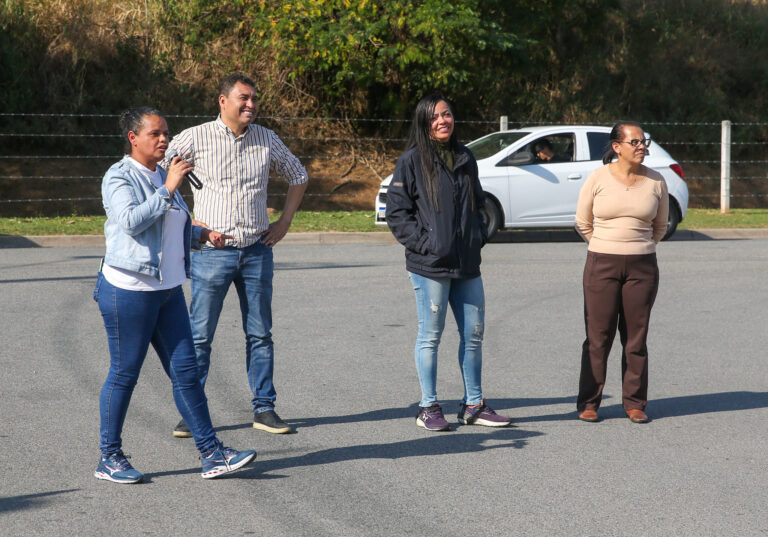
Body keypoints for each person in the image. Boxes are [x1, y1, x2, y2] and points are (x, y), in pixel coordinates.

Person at [94, 107, 256, 483]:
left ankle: (212, 453)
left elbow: (171, 222)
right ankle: (109, 457)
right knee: (124, 374)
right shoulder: (120, 176)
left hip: (167, 290)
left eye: (166, 133)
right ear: (133, 138)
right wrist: (168, 188)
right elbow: (132, 222)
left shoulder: (161, 174)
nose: (164, 140)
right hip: (128, 291)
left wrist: (203, 234)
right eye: (155, 134)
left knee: (186, 373)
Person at [167, 74, 308, 437]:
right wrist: (189, 219)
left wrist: (284, 222)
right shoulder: (195, 137)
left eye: (254, 99)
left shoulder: (266, 138)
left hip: (257, 250)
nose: (251, 105)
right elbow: (158, 170)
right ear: (222, 101)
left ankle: (264, 409)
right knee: (199, 336)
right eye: (243, 98)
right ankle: (191, 413)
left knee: (260, 334)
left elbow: (298, 174)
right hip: (211, 253)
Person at [385, 93, 511, 431]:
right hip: (430, 266)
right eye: (435, 117)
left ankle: (474, 405)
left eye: (447, 114)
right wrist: (428, 245)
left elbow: (479, 203)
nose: (443, 121)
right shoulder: (411, 161)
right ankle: (427, 407)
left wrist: (477, 236)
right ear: (424, 123)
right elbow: (397, 213)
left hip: (466, 262)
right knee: (431, 335)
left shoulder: (465, 156)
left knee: (474, 335)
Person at [574, 120, 669, 424]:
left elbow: (660, 226)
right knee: (598, 337)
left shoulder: (656, 181)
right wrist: (605, 245)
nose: (642, 147)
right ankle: (589, 403)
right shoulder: (598, 178)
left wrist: (637, 247)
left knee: (636, 338)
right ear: (617, 147)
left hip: (643, 266)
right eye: (635, 142)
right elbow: (582, 221)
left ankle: (635, 403)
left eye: (644, 142)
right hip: (602, 263)